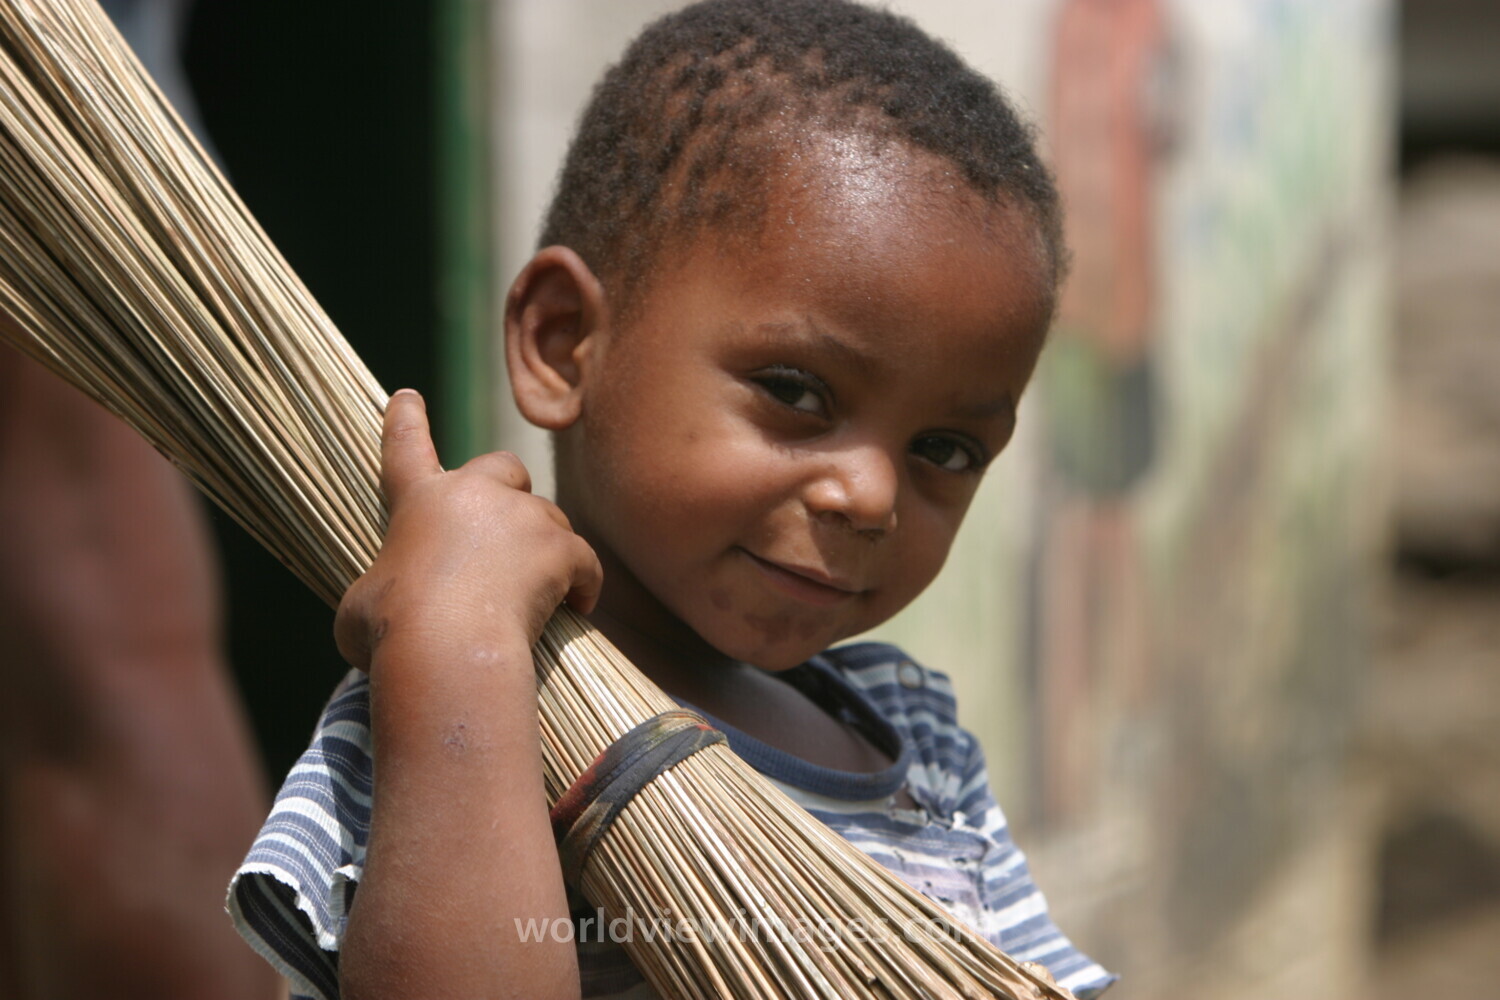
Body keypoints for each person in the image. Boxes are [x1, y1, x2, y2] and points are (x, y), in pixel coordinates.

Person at [229, 2, 1116, 998]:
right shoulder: (427, 704)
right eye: (795, 391)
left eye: (945, 448)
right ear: (566, 343)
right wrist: (454, 650)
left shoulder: (916, 748)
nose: (872, 496)